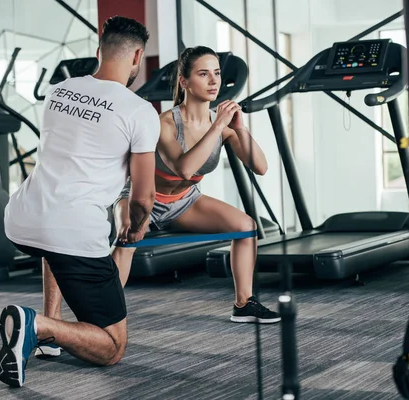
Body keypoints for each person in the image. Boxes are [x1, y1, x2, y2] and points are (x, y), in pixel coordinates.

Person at [36, 46, 281, 359]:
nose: (213, 81)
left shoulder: (221, 124)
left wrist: (239, 129)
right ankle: (98, 318)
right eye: (203, 74)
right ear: (184, 81)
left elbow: (260, 167)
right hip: (140, 196)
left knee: (245, 226)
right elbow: (184, 168)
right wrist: (219, 126)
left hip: (184, 202)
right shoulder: (165, 123)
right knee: (126, 239)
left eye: (217, 74)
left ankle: (244, 303)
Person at [0, 16, 159, 388]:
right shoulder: (139, 111)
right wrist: (135, 229)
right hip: (72, 232)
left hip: (20, 219)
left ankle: (48, 339)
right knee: (113, 347)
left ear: (100, 52)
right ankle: (37, 324)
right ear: (137, 57)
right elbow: (144, 196)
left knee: (54, 243)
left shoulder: (60, 90)